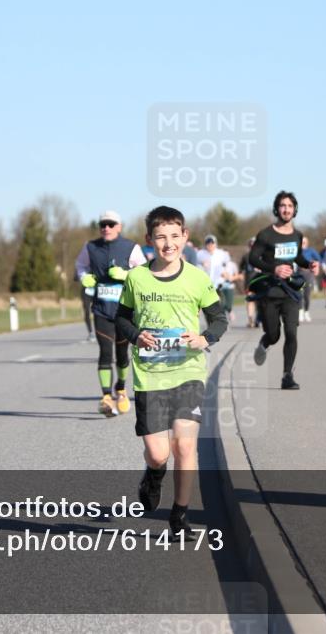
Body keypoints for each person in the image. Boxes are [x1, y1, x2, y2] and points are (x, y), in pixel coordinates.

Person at [115, 206, 227, 537]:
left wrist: (204, 337)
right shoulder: (137, 278)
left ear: (185, 237)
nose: (168, 244)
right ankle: (153, 474)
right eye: (161, 238)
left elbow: (219, 319)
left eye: (174, 237)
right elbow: (121, 318)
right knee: (158, 452)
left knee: (185, 446)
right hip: (150, 376)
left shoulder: (196, 277)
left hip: (188, 372)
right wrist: (136, 334)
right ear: (150, 240)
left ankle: (179, 516)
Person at [75, 210, 147, 416]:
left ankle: (121, 388)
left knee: (122, 354)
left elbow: (144, 272)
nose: (106, 228)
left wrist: (126, 274)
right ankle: (106, 396)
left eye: (111, 224)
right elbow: (80, 265)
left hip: (124, 312)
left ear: (119, 227)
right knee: (105, 352)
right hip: (101, 310)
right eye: (103, 225)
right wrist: (84, 277)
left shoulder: (131, 247)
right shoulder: (91, 247)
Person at [248, 191, 319, 390]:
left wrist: (309, 264)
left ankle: (287, 376)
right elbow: (253, 259)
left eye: (289, 206)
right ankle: (264, 343)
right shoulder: (266, 234)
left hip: (290, 292)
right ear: (277, 209)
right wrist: (274, 269)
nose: (286, 209)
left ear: (294, 209)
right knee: (274, 335)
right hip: (270, 291)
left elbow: (297, 258)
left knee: (291, 333)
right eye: (282, 206)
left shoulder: (297, 235)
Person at [299, 236, 321, 322]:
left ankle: (306, 311)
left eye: (304, 242)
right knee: (299, 294)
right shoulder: (297, 251)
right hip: (299, 274)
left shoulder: (311, 251)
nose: (303, 244)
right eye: (302, 242)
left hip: (308, 274)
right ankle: (300, 312)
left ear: (307, 243)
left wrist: (316, 267)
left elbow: (319, 259)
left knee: (307, 295)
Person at [240, 237, 260, 328]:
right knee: (251, 301)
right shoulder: (245, 256)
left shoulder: (263, 256)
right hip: (250, 282)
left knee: (258, 302)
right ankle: (251, 318)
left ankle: (256, 319)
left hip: (260, 282)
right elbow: (241, 269)